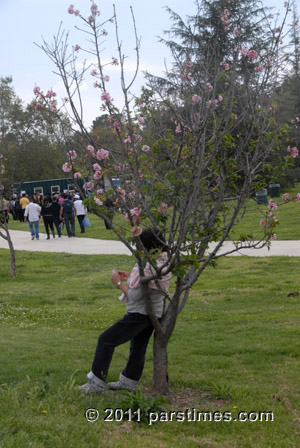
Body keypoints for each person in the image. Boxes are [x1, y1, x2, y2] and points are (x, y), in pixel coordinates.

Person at [78, 228, 172, 395]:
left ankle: (96, 384)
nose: (137, 249)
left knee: (106, 340)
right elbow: (145, 286)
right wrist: (130, 276)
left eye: (139, 245)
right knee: (137, 347)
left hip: (140, 315)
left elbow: (134, 295)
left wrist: (117, 283)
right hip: (153, 314)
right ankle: (129, 382)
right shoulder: (163, 262)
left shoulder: (150, 266)